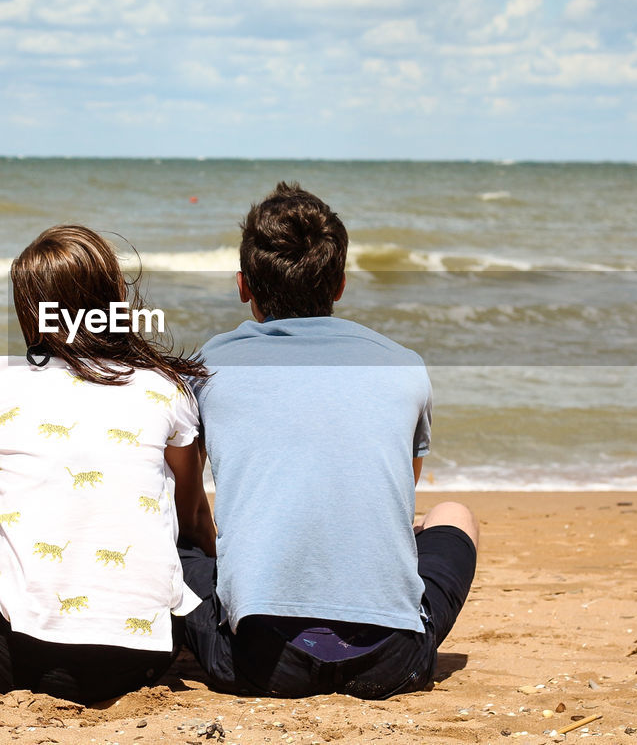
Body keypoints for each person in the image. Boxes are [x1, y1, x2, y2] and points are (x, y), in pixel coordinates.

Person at [178, 182, 479, 699]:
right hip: (391, 661)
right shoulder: (404, 365)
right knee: (454, 515)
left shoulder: (208, 365)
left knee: (168, 534)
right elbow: (400, 503)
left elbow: (186, 509)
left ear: (243, 285)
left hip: (261, 660)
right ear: (338, 285)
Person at [0, 224, 217, 704]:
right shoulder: (165, 387)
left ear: (30, 312)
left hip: (10, 656)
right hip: (142, 660)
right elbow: (190, 519)